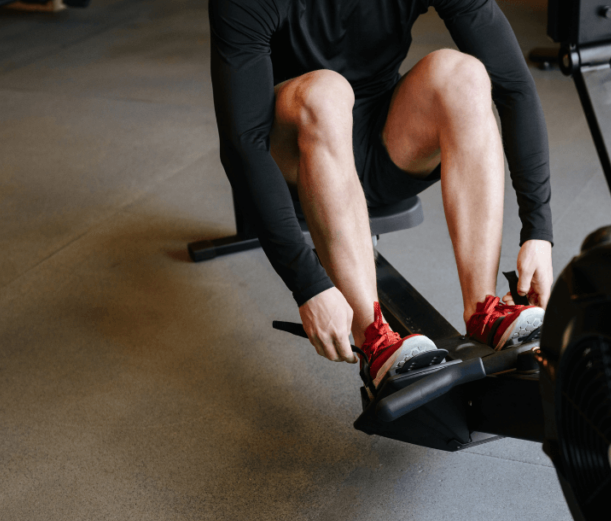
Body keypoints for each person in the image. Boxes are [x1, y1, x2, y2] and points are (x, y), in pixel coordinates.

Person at [209, 0, 554, 387]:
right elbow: (243, 143)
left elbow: (515, 86)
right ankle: (373, 337)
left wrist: (538, 231)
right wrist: (307, 284)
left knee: (466, 74)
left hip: (385, 146)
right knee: (326, 91)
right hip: (298, 159)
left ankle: (484, 311)